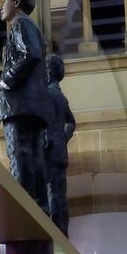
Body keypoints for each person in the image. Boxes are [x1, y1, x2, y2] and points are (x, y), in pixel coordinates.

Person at [0, 0, 50, 206]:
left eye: (3, 1)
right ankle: (38, 205)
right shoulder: (30, 27)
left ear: (16, 2)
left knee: (20, 154)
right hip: (31, 105)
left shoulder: (20, 25)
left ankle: (23, 205)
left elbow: (31, 54)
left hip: (19, 106)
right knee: (33, 157)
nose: (0, 7)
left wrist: (6, 80)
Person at [43, 52, 76, 234]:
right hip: (59, 150)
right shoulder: (61, 96)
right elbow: (71, 122)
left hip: (49, 150)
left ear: (49, 72)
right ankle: (61, 230)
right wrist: (63, 138)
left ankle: (55, 231)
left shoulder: (47, 93)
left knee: (52, 194)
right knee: (58, 193)